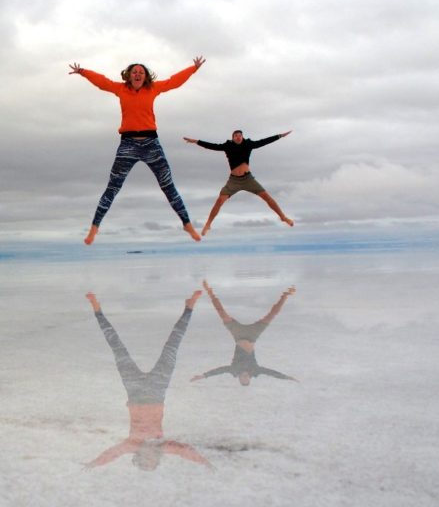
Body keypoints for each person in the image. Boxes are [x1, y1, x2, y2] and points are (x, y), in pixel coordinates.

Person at [69, 58, 205, 244]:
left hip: (151, 144)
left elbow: (174, 82)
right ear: (129, 75)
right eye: (135, 72)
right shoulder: (121, 89)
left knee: (168, 186)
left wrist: (193, 68)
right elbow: (102, 82)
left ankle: (187, 224)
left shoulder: (153, 88)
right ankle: (94, 228)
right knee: (112, 188)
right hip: (128, 145)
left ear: (146, 76)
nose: (138, 74)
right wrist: (83, 72)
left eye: (141, 72)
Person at [84, 290, 210, 471]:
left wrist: (94, 463)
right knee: (172, 346)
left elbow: (112, 453)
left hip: (134, 391)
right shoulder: (163, 445)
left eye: (146, 460)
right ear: (157, 458)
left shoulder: (131, 445)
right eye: (152, 460)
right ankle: (189, 308)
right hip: (157, 391)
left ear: (139, 457)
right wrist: (204, 461)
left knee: (117, 348)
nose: (149, 456)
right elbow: (184, 451)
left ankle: (97, 309)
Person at [183, 130, 294, 236]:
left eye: (240, 135)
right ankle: (208, 224)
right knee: (219, 201)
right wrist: (197, 141)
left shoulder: (248, 144)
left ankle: (283, 217)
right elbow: (212, 146)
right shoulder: (228, 146)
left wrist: (280, 136)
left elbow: (264, 141)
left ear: (242, 137)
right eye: (236, 135)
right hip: (234, 181)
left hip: (248, 179)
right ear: (233, 138)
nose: (238, 137)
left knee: (267, 197)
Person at [190, 280, 297, 386]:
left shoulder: (234, 370)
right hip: (253, 335)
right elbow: (270, 372)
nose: (245, 378)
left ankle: (210, 292)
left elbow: (220, 370)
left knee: (222, 314)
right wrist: (286, 377)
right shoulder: (255, 371)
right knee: (271, 315)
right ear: (250, 379)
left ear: (239, 379)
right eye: (247, 380)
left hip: (238, 335)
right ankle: (285, 295)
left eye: (242, 380)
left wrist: (204, 376)